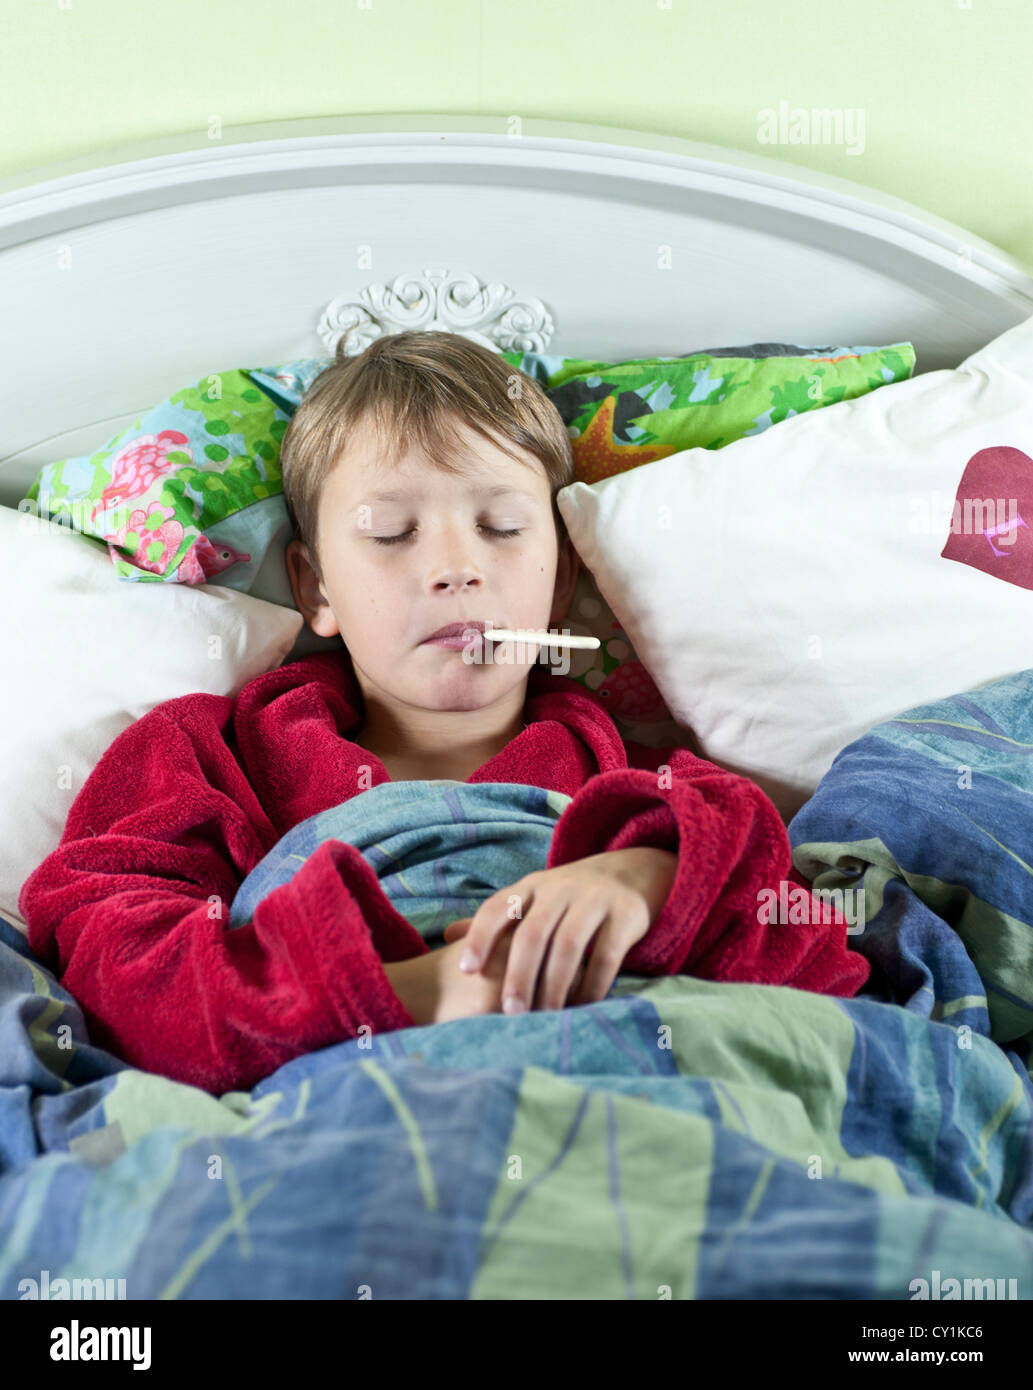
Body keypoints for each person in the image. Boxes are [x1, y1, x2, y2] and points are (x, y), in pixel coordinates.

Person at [19, 331, 869, 1095]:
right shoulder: (204, 756)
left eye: (500, 526)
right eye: (391, 532)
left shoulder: (658, 799)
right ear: (316, 589)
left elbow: (816, 976)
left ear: (560, 585)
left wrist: (645, 883)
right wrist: (413, 990)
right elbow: (111, 964)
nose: (457, 568)